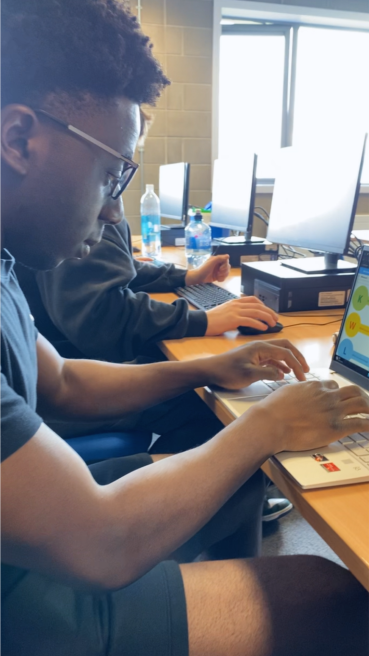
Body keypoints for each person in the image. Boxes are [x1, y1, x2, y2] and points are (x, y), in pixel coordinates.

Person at [2, 2, 369, 656]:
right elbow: (99, 544)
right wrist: (267, 423)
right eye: (114, 172)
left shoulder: (4, 264)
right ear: (20, 139)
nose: (115, 206)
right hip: (23, 606)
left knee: (234, 480)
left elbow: (62, 381)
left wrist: (208, 367)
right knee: (333, 596)